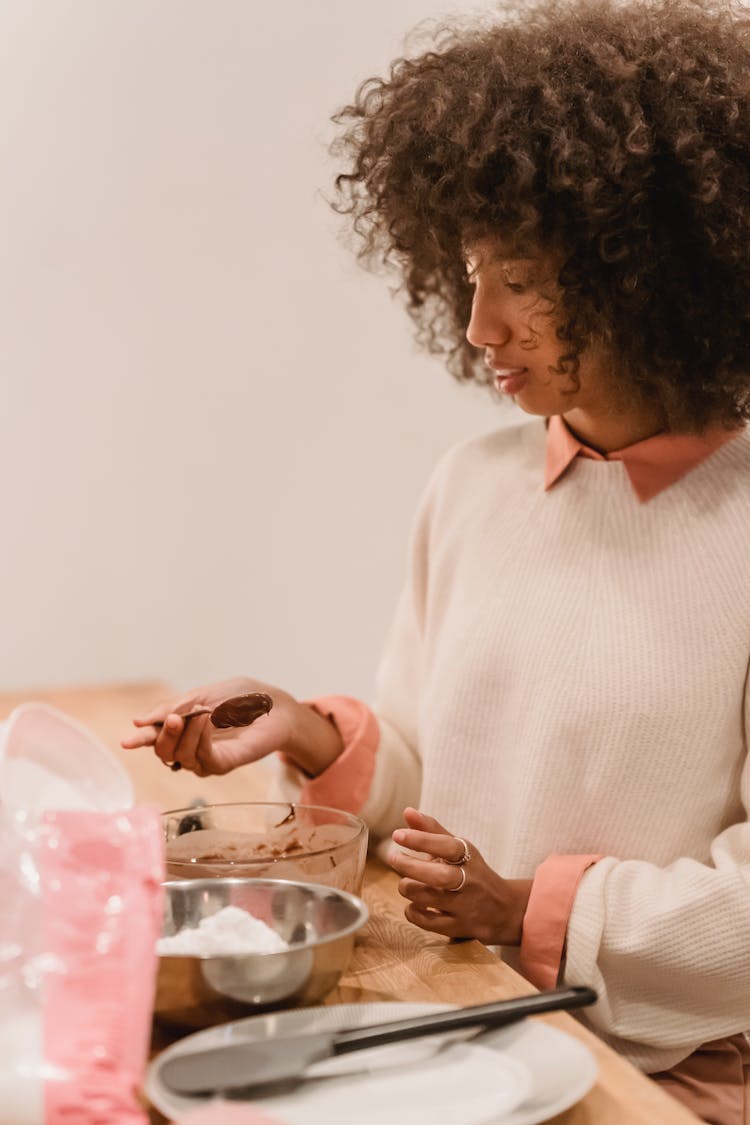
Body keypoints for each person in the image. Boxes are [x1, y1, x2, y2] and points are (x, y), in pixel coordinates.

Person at [122, 0, 750, 1119]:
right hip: (451, 1018)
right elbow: (430, 779)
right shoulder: (473, 484)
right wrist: (309, 732)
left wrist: (527, 909)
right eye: (468, 274)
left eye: (524, 280)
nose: (477, 325)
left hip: (664, 1078)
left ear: (655, 270)